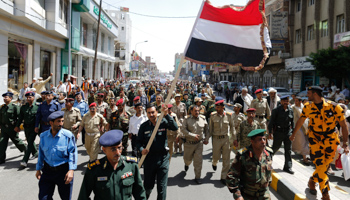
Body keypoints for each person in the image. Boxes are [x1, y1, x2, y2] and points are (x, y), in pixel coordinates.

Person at [290, 86, 349, 200]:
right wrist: (293, 134)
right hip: (315, 140)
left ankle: (312, 180)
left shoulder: (334, 107)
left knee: (324, 167)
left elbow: (343, 125)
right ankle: (325, 194)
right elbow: (301, 120)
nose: (307, 95)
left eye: (309, 93)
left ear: (315, 94)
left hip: (331, 140)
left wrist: (345, 143)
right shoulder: (308, 107)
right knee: (321, 165)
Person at [77, 130, 146, 200]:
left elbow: (140, 194)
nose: (118, 152)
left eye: (119, 148)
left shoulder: (131, 165)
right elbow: (83, 196)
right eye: (113, 149)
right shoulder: (95, 169)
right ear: (104, 150)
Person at [136, 104, 178, 200]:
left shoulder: (163, 122)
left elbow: (175, 127)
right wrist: (142, 150)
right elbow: (138, 142)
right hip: (149, 160)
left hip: (163, 159)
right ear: (146, 113)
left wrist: (167, 115)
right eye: (149, 113)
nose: (151, 115)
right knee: (148, 186)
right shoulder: (144, 126)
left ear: (157, 112)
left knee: (162, 187)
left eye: (153, 112)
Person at [35, 111, 77, 200]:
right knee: (43, 198)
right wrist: (38, 169)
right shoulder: (43, 136)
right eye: (58, 121)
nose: (61, 124)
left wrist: (71, 170)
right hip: (48, 171)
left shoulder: (68, 136)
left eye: (62, 121)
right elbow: (41, 154)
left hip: (63, 171)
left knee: (65, 198)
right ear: (51, 123)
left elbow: (72, 153)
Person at [226, 129, 273, 200]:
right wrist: (238, 195)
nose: (263, 142)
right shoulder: (243, 155)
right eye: (260, 139)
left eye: (264, 139)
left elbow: (269, 171)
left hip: (264, 194)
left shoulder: (268, 154)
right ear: (252, 142)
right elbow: (231, 176)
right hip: (248, 195)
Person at [205, 99, 235, 184]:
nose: (216, 109)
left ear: (223, 107)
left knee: (226, 159)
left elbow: (232, 128)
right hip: (216, 139)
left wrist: (235, 139)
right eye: (216, 107)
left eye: (218, 107)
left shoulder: (229, 116)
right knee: (216, 156)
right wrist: (207, 138)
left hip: (226, 139)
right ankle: (214, 162)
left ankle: (223, 176)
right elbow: (210, 129)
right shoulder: (213, 116)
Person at [181, 105, 208, 184]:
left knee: (198, 161)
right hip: (188, 144)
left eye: (198, 111)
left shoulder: (203, 119)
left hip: (199, 144)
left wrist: (206, 138)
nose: (197, 112)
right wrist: (193, 135)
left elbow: (207, 129)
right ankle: (187, 164)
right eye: (195, 111)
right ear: (191, 111)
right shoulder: (187, 119)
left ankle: (197, 177)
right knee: (187, 159)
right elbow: (183, 129)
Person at [268, 95, 294, 174]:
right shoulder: (276, 110)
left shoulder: (290, 110)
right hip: (278, 132)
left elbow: (292, 122)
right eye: (284, 101)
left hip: (288, 132)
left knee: (288, 150)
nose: (286, 103)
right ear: (281, 102)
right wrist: (270, 133)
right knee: (274, 148)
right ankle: (268, 163)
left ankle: (287, 167)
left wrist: (293, 133)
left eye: (287, 101)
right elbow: (271, 122)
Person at [0, 92, 27, 165]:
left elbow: (19, 117)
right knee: (2, 143)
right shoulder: (2, 107)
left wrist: (17, 126)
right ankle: (1, 159)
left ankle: (26, 150)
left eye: (6, 97)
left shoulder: (15, 106)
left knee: (17, 141)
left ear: (10, 98)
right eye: (4, 97)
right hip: (4, 129)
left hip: (12, 128)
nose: (4, 98)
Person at [15, 92, 39, 169]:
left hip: (35, 128)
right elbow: (20, 118)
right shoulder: (24, 107)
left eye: (30, 97)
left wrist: (38, 127)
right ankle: (35, 153)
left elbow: (40, 118)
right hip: (26, 128)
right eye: (27, 97)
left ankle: (25, 160)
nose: (28, 98)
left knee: (30, 143)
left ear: (34, 97)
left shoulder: (38, 106)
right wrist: (17, 126)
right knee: (29, 141)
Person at [291, 96, 310, 165]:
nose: (295, 102)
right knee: (302, 141)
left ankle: (304, 154)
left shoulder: (304, 107)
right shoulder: (293, 108)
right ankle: (305, 157)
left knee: (305, 140)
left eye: (297, 101)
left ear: (300, 101)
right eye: (295, 101)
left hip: (305, 126)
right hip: (297, 126)